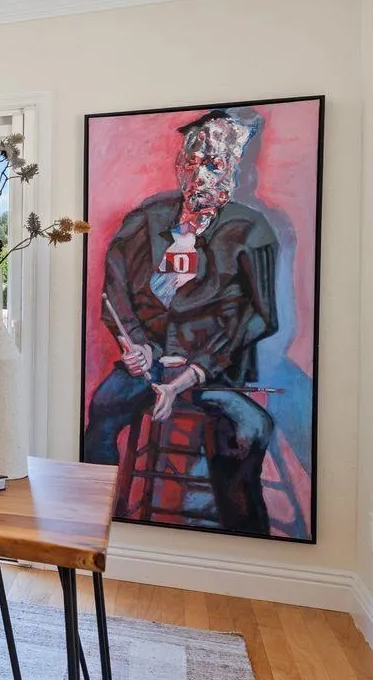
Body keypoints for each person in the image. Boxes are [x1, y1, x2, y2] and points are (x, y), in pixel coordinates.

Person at [81, 108, 280, 534]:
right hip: (146, 364)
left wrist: (192, 372)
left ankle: (245, 543)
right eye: (191, 164)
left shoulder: (252, 232)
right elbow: (113, 293)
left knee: (248, 429)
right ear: (179, 167)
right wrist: (135, 344)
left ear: (232, 171)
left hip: (214, 372)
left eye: (212, 165)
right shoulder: (143, 223)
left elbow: (260, 318)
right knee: (102, 409)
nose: (200, 176)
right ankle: (94, 523)